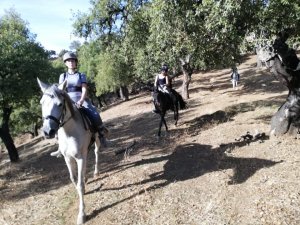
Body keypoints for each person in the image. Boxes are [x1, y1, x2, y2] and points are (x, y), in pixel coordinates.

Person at [51, 52, 107, 157]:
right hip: (68, 102)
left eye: (73, 61)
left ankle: (102, 136)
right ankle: (60, 146)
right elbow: (61, 91)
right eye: (69, 61)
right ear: (66, 63)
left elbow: (84, 88)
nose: (71, 62)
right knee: (58, 118)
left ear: (76, 63)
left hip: (82, 100)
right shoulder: (62, 76)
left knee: (94, 114)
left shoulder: (81, 75)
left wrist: (81, 100)